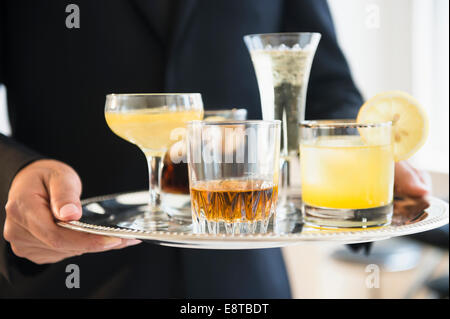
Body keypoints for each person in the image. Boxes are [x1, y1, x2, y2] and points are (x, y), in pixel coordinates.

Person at [0, 0, 430, 298]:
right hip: (75, 274)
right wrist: (14, 174)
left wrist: (362, 155)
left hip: (244, 283)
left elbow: (325, 84)